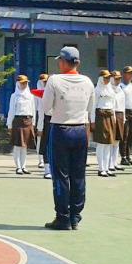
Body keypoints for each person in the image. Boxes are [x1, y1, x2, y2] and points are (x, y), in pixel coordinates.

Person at [41, 46, 94, 231]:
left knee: (61, 176)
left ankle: (62, 216)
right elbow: (90, 108)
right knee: (78, 175)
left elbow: (46, 108)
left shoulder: (54, 80)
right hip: (80, 130)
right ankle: (75, 216)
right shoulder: (87, 82)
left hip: (61, 129)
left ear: (63, 62)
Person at [6, 74, 38, 174]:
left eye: (25, 83)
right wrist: (9, 125)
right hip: (18, 121)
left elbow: (33, 110)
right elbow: (11, 111)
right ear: (18, 84)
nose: (24, 85)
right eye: (22, 83)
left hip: (28, 121)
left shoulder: (30, 96)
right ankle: (18, 167)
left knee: (25, 146)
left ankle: (24, 166)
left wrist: (33, 123)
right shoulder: (14, 96)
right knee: (18, 145)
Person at [92, 69, 118, 177]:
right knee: (101, 144)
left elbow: (113, 105)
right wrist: (92, 121)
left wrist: (114, 118)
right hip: (100, 116)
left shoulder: (111, 90)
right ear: (101, 78)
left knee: (108, 143)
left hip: (110, 116)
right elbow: (93, 106)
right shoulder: (97, 90)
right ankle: (101, 168)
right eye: (105, 78)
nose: (107, 80)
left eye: (108, 78)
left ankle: (107, 168)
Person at [119, 66, 132, 167]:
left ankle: (129, 156)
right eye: (129, 73)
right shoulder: (120, 86)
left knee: (131, 135)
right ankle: (123, 157)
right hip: (124, 111)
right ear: (124, 74)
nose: (131, 75)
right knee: (124, 136)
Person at [35, 72, 51, 177]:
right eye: (44, 81)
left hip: (54, 121)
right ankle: (43, 164)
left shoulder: (53, 92)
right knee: (43, 143)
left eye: (47, 81)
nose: (45, 83)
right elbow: (38, 110)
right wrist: (39, 126)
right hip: (43, 120)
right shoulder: (38, 94)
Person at [111, 70, 126, 172]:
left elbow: (123, 105)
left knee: (117, 141)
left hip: (120, 115)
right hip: (112, 115)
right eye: (116, 79)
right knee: (110, 141)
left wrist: (123, 118)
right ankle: (109, 163)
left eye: (119, 79)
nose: (118, 81)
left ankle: (115, 162)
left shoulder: (120, 90)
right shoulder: (108, 89)